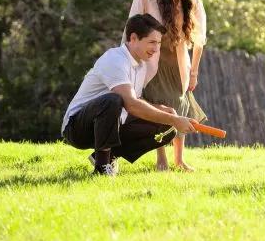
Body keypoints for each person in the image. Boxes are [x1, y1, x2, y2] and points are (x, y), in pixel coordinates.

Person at [62, 13, 197, 176]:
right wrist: (175, 119)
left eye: (159, 43)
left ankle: (109, 155)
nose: (156, 49)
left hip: (111, 125)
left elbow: (135, 100)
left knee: (167, 128)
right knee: (113, 100)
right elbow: (131, 104)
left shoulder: (141, 65)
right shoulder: (115, 60)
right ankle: (102, 167)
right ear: (133, 38)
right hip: (78, 128)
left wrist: (163, 112)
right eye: (152, 42)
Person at [125, 0, 207, 172]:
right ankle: (161, 159)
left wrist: (195, 71)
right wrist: (130, 61)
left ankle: (179, 160)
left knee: (180, 105)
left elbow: (200, 39)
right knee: (158, 105)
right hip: (151, 59)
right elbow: (132, 27)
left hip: (177, 62)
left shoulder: (192, 1)